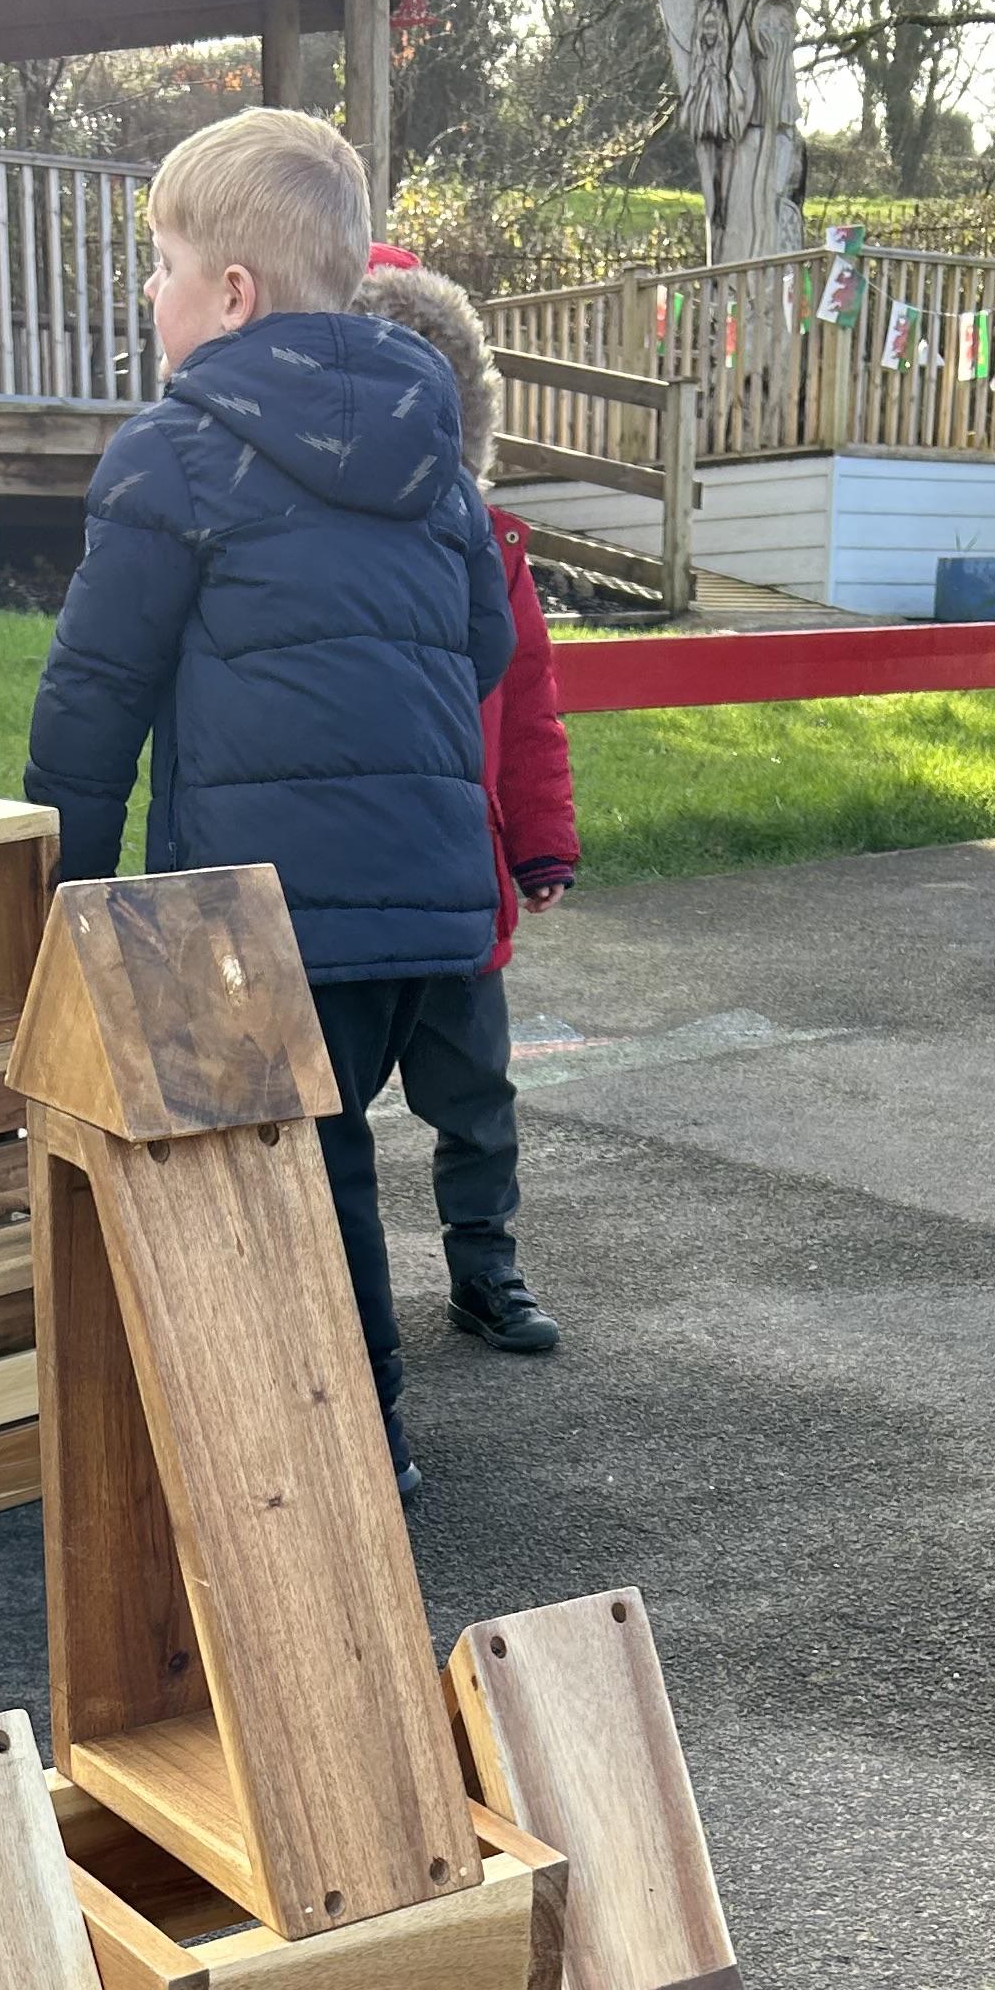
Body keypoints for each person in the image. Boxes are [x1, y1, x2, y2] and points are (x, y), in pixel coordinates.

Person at [24, 109, 512, 1502]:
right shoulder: (431, 452)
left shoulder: (174, 455)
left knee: (297, 1166)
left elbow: (93, 699)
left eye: (164, 266)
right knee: (330, 1139)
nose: (151, 293)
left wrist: (64, 885)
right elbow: (483, 645)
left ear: (230, 295)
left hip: (262, 897)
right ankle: (348, 1414)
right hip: (429, 898)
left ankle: (357, 1435)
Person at [352, 248, 577, 1358]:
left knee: (476, 1096)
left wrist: (540, 841)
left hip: (459, 881)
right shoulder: (318, 549)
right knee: (326, 1102)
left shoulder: (489, 547)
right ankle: (336, 1284)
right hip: (342, 885)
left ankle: (485, 1263)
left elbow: (526, 703)